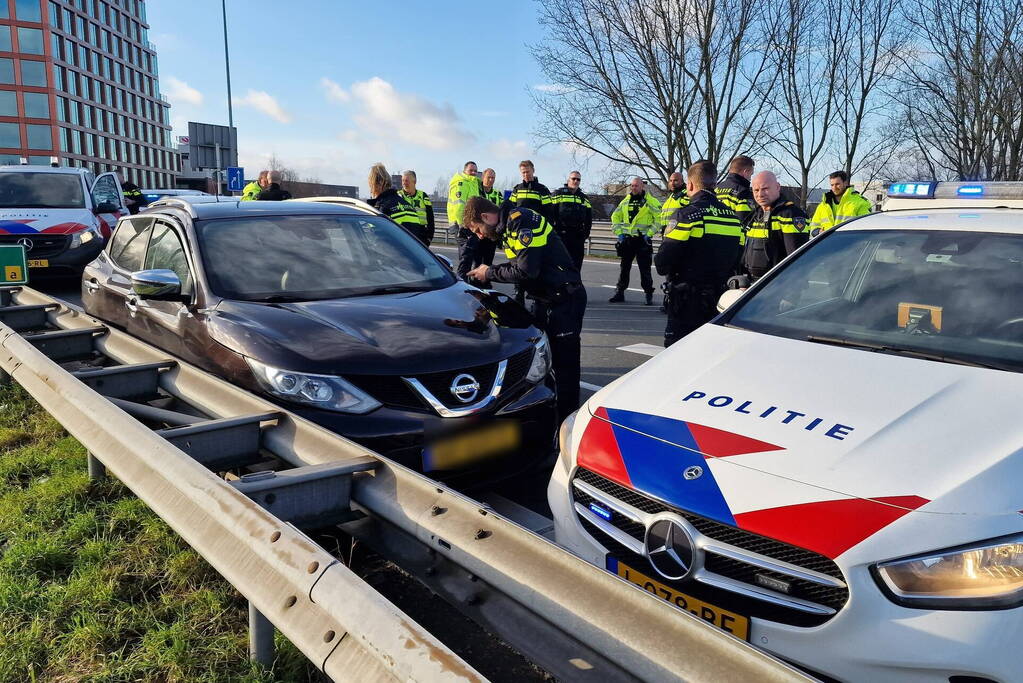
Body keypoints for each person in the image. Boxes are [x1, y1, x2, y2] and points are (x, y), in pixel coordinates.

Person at [463, 197, 586, 421]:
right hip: (546, 299)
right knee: (544, 360)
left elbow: (527, 271)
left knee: (565, 366)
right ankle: (551, 417)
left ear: (485, 217)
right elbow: (516, 266)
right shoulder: (508, 226)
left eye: (478, 229)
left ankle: (569, 424)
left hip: (564, 300)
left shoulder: (520, 221)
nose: (480, 236)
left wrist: (489, 273)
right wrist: (488, 270)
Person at [655, 160, 742, 346]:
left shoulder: (686, 215)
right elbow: (738, 259)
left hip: (687, 301)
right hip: (720, 299)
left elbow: (662, 262)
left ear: (691, 184)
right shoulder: (733, 219)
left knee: (678, 353)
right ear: (715, 184)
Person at [741, 170, 809, 282]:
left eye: (765, 189)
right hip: (753, 284)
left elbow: (796, 259)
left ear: (777, 187)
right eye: (756, 190)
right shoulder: (755, 215)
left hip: (778, 285)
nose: (760, 194)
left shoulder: (791, 214)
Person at [608, 177, 661, 305]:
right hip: (627, 240)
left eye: (636, 186)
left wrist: (648, 234)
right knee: (624, 268)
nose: (633, 188)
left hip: (643, 240)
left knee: (645, 269)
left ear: (642, 186)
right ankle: (620, 292)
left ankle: (648, 294)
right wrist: (619, 233)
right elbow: (615, 216)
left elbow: (658, 220)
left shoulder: (651, 201)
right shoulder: (626, 201)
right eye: (632, 185)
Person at [447, 161, 484, 279]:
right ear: (464, 171)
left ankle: (464, 281)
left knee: (467, 257)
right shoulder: (461, 183)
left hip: (470, 225)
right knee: (465, 257)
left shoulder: (472, 182)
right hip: (462, 225)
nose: (473, 173)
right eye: (470, 170)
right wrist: (462, 225)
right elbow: (459, 206)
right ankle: (462, 283)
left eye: (475, 171)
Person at [551, 171, 592, 271]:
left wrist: (585, 234)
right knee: (560, 264)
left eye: (578, 179)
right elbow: (550, 214)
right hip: (561, 235)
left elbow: (588, 219)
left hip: (577, 236)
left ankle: (575, 285)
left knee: (576, 265)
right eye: (573, 178)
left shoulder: (584, 198)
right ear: (568, 180)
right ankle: (559, 285)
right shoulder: (558, 194)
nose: (576, 181)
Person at [809, 170, 871, 235]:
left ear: (845, 183)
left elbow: (866, 229)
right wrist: (819, 231)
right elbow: (813, 228)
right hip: (827, 243)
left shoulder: (860, 202)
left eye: (837, 184)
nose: (834, 188)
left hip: (850, 243)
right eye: (832, 185)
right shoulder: (823, 205)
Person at [366, 163, 420, 233]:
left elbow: (377, 238)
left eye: (371, 184)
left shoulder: (381, 209)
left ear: (380, 183)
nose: (371, 189)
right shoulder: (408, 206)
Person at [508, 160, 555, 224]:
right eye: (523, 172)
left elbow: (548, 210)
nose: (526, 174)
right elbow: (511, 208)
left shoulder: (542, 189)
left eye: (527, 172)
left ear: (533, 170)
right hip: (520, 224)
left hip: (536, 225)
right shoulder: (517, 189)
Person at [716, 156, 756, 228]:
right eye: (751, 174)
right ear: (745, 172)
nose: (750, 178)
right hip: (734, 236)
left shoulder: (715, 188)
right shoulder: (743, 192)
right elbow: (746, 222)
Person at [398, 170, 435, 246]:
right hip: (404, 233)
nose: (404, 183)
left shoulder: (423, 196)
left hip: (421, 235)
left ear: (414, 182)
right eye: (403, 180)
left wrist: (429, 238)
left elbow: (430, 218)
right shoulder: (398, 196)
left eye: (407, 181)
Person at [475, 167, 503, 268]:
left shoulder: (497, 194)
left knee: (488, 261)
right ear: (483, 178)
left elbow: (501, 213)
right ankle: (474, 282)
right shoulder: (476, 192)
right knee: (476, 261)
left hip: (492, 233)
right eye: (489, 177)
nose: (491, 180)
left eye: (493, 178)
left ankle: (485, 282)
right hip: (479, 233)